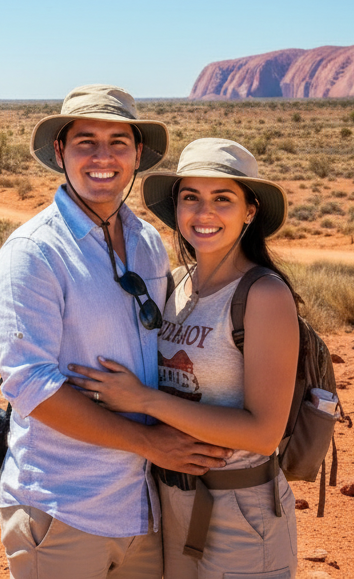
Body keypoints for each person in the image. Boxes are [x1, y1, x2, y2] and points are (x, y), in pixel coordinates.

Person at [0, 86, 232, 579]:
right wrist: (150, 443)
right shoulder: (33, 253)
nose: (104, 157)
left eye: (118, 142)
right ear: (61, 152)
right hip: (63, 508)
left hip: (141, 508)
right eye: (86, 142)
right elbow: (31, 386)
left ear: (137, 154)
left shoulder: (146, 241)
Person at [68, 137, 300, 578]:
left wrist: (144, 400)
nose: (204, 212)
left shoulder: (263, 295)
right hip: (170, 503)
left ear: (250, 211)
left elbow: (263, 433)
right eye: (190, 197)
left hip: (240, 510)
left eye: (223, 199)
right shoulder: (173, 284)